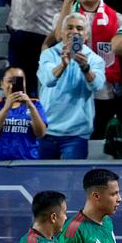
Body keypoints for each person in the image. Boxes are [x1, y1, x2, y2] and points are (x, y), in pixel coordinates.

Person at [54, 0, 122, 140]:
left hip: (105, 90)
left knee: (101, 137)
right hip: (73, 89)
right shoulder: (64, 16)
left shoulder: (118, 18)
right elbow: (58, 37)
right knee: (76, 139)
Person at [37, 12, 106, 160]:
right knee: (42, 180)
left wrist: (85, 67)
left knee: (72, 181)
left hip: (76, 134)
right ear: (62, 33)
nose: (74, 31)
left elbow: (98, 86)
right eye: (70, 27)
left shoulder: (95, 59)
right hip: (46, 130)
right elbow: (48, 80)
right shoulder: (48, 54)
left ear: (86, 35)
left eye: (79, 28)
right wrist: (63, 64)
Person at [6, 0, 67, 97]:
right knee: (18, 86)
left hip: (50, 35)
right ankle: (20, 116)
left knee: (50, 89)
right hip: (20, 31)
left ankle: (44, 116)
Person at [0, 67, 48, 161]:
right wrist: (6, 108)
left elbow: (41, 133)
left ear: (24, 83)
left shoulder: (35, 104)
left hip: (27, 161)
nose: (13, 85)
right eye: (10, 81)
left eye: (19, 81)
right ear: (2, 83)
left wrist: (30, 106)